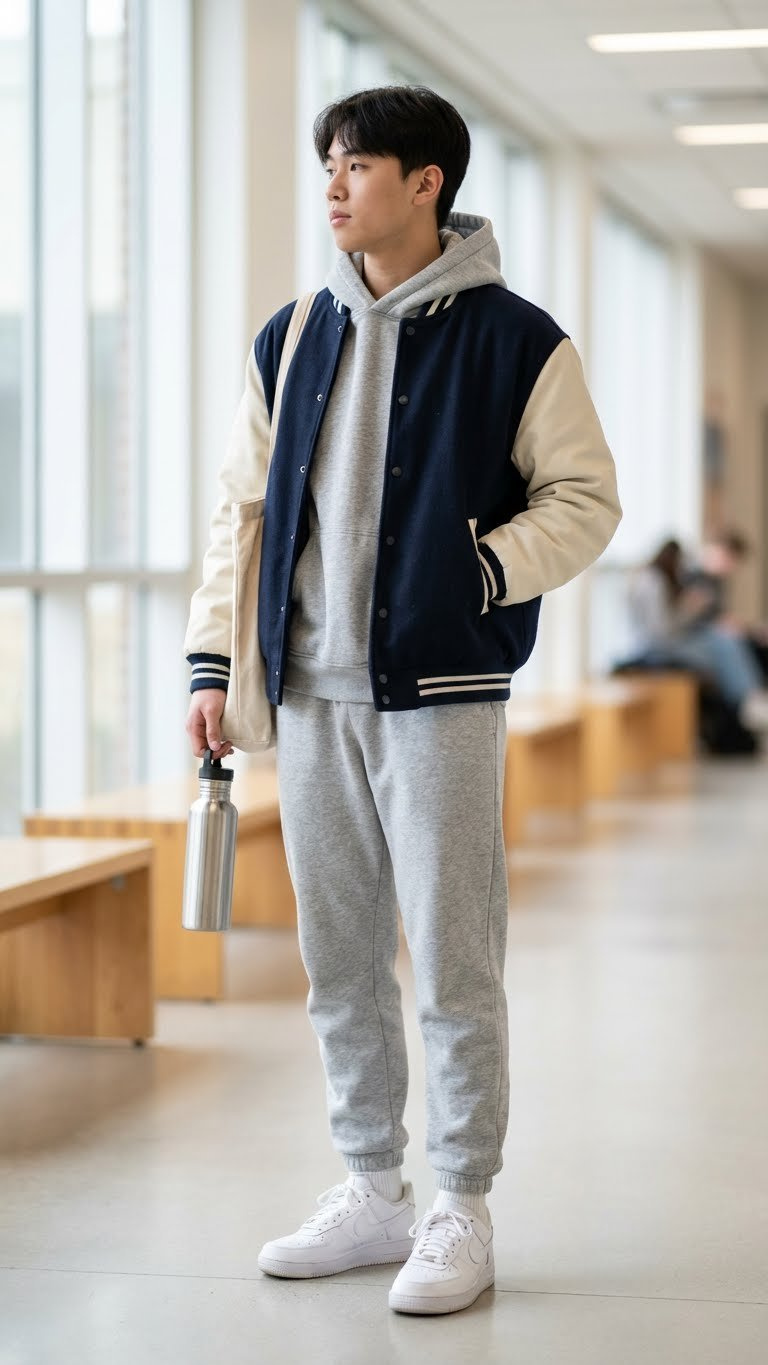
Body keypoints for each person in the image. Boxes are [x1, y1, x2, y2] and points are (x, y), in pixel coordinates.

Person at [183, 85, 622, 1316]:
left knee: (452, 956)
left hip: (441, 692)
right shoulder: (292, 336)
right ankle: (372, 1186)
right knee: (339, 957)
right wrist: (215, 666)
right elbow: (243, 515)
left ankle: (460, 1203)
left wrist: (478, 575)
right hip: (308, 697)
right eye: (327, 165)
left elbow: (584, 501)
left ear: (426, 182)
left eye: (356, 165)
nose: (332, 186)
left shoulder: (517, 339)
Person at [624, 531, 768, 734]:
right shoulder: (652, 582)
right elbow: (662, 633)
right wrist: (689, 609)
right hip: (658, 647)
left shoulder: (658, 580)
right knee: (726, 646)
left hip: (673, 640)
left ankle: (744, 704)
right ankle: (745, 702)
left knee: (727, 643)